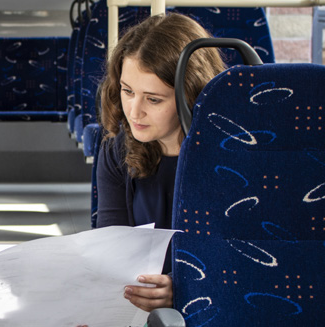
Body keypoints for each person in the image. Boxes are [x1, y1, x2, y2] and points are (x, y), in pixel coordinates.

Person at [96, 13, 225, 312]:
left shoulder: (234, 154)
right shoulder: (118, 149)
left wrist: (184, 287)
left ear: (191, 96)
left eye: (153, 99)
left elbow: (247, 256)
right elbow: (111, 249)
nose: (134, 111)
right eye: (128, 91)